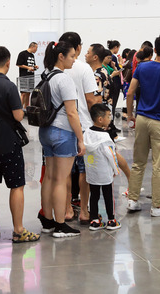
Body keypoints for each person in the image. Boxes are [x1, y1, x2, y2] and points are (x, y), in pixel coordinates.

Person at [0, 46, 40, 243]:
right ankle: (18, 230)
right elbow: (18, 115)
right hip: (8, 144)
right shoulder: (9, 86)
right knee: (17, 186)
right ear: (8, 63)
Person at [126, 33, 160, 217]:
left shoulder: (142, 67)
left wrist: (130, 114)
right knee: (159, 165)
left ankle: (132, 200)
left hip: (141, 118)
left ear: (154, 50)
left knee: (138, 162)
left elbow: (130, 92)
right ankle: (157, 206)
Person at [37, 41, 85, 238]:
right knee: (60, 179)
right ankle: (60, 224)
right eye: (72, 56)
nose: (74, 59)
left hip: (46, 131)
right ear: (61, 56)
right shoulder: (64, 80)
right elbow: (72, 113)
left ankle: (47, 221)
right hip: (63, 133)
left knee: (49, 177)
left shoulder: (46, 75)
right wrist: (81, 139)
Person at [60, 32, 98, 224]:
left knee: (66, 170)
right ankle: (84, 210)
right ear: (78, 48)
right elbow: (91, 100)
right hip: (83, 125)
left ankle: (67, 210)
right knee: (85, 171)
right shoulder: (84, 68)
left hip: (63, 127)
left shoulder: (56, 68)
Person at [83, 104, 121, 231]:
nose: (110, 118)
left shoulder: (87, 133)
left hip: (92, 171)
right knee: (108, 196)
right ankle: (111, 220)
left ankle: (94, 220)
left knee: (94, 196)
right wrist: (115, 169)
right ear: (100, 119)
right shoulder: (105, 137)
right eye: (108, 116)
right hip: (105, 173)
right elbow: (111, 155)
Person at [107, 40, 124, 129]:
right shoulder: (112, 57)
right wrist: (120, 64)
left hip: (112, 83)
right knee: (113, 105)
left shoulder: (109, 55)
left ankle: (111, 125)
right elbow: (117, 70)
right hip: (115, 83)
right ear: (115, 47)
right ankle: (111, 125)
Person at [17, 42, 39, 108]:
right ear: (32, 47)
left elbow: (32, 64)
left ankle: (26, 108)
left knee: (28, 93)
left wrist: (35, 66)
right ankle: (20, 109)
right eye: (36, 48)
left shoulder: (32, 55)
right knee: (23, 93)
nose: (36, 50)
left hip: (31, 76)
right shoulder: (22, 54)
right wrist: (28, 67)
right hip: (24, 76)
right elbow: (19, 64)